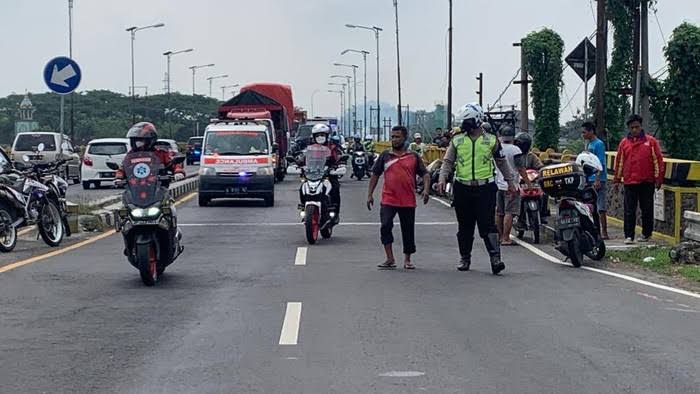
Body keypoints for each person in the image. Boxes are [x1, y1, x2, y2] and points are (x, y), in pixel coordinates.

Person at [438, 103, 517, 274]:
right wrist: (442, 178)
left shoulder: (491, 140)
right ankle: (464, 258)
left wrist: (511, 183)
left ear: (477, 120)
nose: (463, 124)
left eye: (467, 121)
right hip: (462, 188)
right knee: (465, 226)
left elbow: (502, 162)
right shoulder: (457, 140)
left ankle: (495, 258)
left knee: (487, 224)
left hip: (485, 188)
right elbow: (448, 162)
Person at [368, 126, 430, 270]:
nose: (394, 140)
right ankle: (390, 258)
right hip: (388, 199)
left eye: (397, 137)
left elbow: (425, 174)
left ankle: (407, 259)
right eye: (393, 137)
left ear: (404, 138)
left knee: (408, 230)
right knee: (385, 226)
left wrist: (426, 190)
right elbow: (375, 175)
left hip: (408, 199)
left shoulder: (413, 156)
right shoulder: (385, 156)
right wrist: (370, 194)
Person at [116, 122, 183, 252]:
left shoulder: (161, 154)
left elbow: (174, 164)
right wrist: (118, 177)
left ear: (150, 141)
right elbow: (121, 169)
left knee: (169, 211)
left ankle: (172, 237)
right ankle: (128, 243)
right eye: (135, 141)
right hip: (136, 192)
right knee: (125, 214)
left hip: (157, 190)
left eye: (140, 141)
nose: (137, 144)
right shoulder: (129, 156)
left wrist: (178, 171)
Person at [613, 114, 665, 244]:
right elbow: (619, 162)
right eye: (632, 127)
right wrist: (617, 179)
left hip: (647, 181)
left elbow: (658, 161)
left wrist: (659, 178)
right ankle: (629, 236)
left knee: (647, 209)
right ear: (629, 128)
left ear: (641, 126)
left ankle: (646, 234)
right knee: (629, 210)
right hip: (630, 181)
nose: (635, 130)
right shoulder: (624, 143)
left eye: (637, 127)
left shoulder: (651, 142)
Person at [495, 126, 531, 245]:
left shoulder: (496, 147)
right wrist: (528, 183)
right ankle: (506, 238)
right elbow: (521, 169)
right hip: (511, 185)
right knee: (509, 212)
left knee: (499, 212)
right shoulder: (516, 150)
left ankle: (499, 237)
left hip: (498, 184)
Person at [582, 121, 610, 240]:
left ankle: (604, 232)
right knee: (591, 205)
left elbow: (600, 162)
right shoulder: (589, 144)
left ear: (591, 131)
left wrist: (597, 179)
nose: (583, 134)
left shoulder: (598, 144)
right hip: (590, 178)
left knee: (600, 206)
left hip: (598, 179)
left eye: (584, 132)